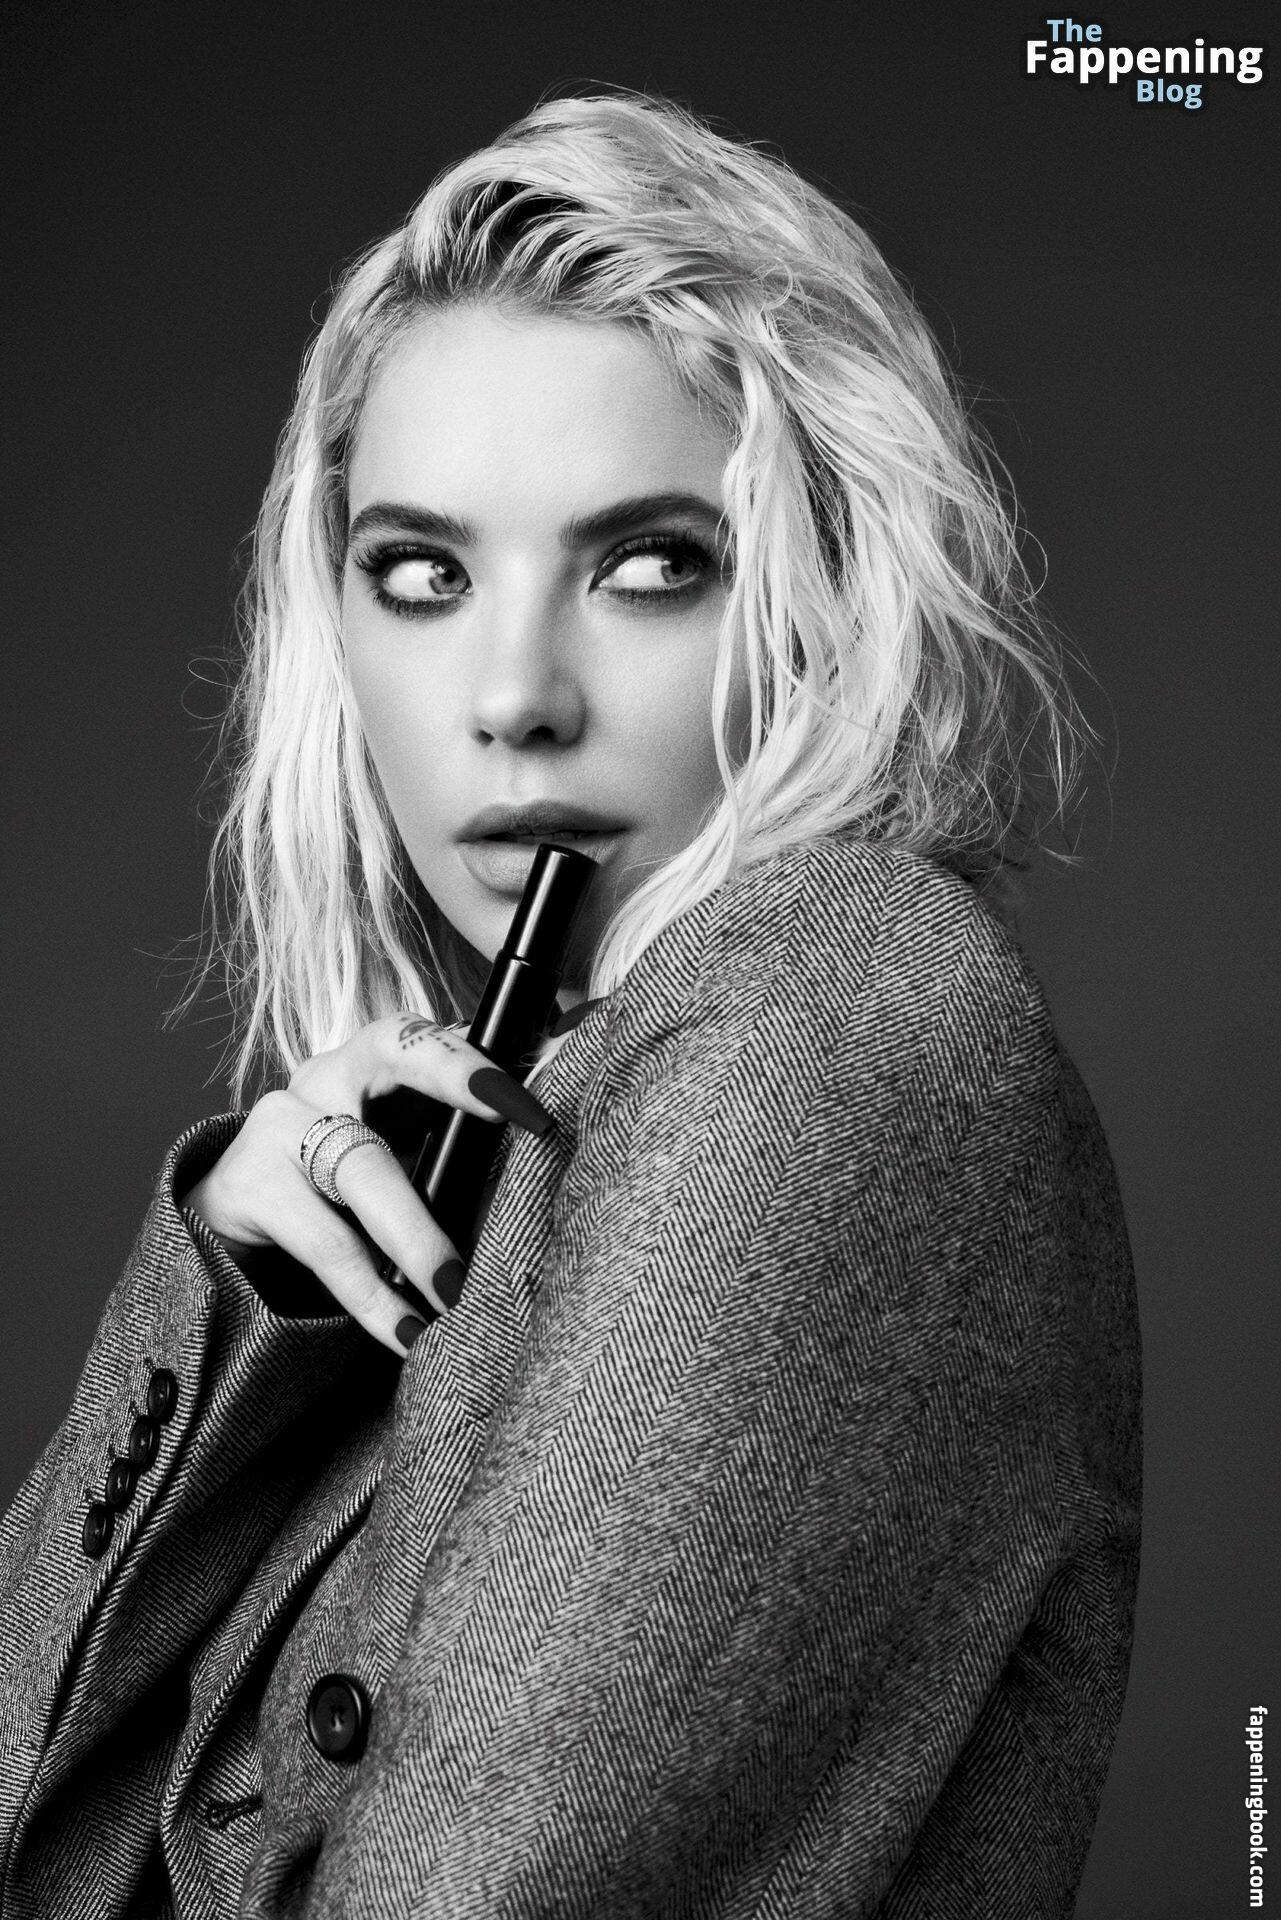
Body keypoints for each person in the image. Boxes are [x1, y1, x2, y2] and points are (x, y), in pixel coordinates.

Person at [0, 91, 1140, 1919]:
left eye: (646, 566)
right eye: (424, 575)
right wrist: (225, 1311)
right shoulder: (534, 1124)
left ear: (818, 595)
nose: (514, 694)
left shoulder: (825, 1027)